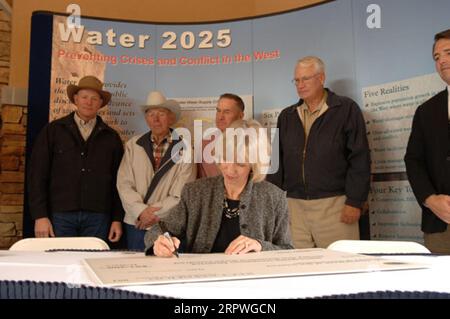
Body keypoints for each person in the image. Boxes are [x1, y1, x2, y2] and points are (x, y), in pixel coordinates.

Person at [145, 119, 293, 256]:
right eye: (225, 159)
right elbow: (158, 230)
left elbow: (287, 250)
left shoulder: (274, 197)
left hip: (252, 281)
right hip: (202, 279)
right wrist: (159, 242)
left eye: (240, 164)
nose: (229, 169)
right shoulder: (195, 192)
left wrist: (260, 246)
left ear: (255, 165)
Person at [267, 56, 371, 249]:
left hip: (335, 206)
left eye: (305, 78)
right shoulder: (287, 116)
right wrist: (273, 204)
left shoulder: (346, 109)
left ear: (321, 78)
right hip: (293, 208)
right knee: (296, 268)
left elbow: (360, 158)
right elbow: (276, 163)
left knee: (341, 268)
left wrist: (355, 201)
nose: (300, 85)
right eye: (296, 80)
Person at [28, 75, 124, 242]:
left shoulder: (111, 137)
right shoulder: (53, 131)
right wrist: (40, 215)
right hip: (60, 215)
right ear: (75, 99)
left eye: (94, 98)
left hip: (98, 216)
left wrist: (117, 218)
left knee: (93, 264)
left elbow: (119, 181)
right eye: (84, 97)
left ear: (100, 103)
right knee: (60, 264)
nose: (89, 102)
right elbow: (37, 175)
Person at [117, 90, 196, 251]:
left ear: (171, 117)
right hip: (136, 223)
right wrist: (140, 211)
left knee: (167, 272)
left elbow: (182, 192)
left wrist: (152, 214)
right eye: (151, 114)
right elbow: (124, 184)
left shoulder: (185, 148)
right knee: (135, 270)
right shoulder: (133, 145)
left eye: (161, 113)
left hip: (168, 223)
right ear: (146, 118)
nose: (156, 119)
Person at [404, 29, 450, 254]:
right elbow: (413, 161)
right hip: (440, 225)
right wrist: (431, 200)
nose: (442, 61)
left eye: (448, 52)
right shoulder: (426, 111)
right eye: (436, 57)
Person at [197, 93, 244, 178]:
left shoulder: (252, 142)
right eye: (218, 111)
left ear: (240, 116)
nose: (220, 117)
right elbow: (200, 181)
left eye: (227, 112)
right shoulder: (205, 143)